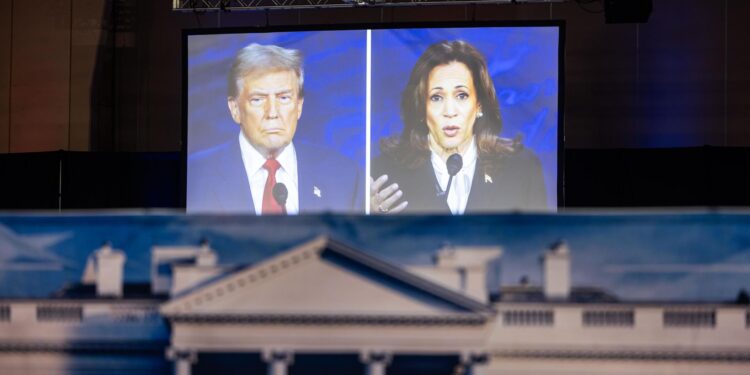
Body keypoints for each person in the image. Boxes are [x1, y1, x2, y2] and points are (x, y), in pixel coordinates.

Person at [370, 40, 548, 214]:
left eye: (461, 95)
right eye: (436, 97)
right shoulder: (385, 174)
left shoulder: (522, 168)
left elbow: (541, 240)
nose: (449, 111)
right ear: (421, 108)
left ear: (479, 104)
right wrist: (370, 221)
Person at [188, 43, 362, 214]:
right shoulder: (196, 174)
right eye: (258, 99)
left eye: (284, 98)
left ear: (299, 106)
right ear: (235, 109)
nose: (272, 113)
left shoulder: (344, 174)